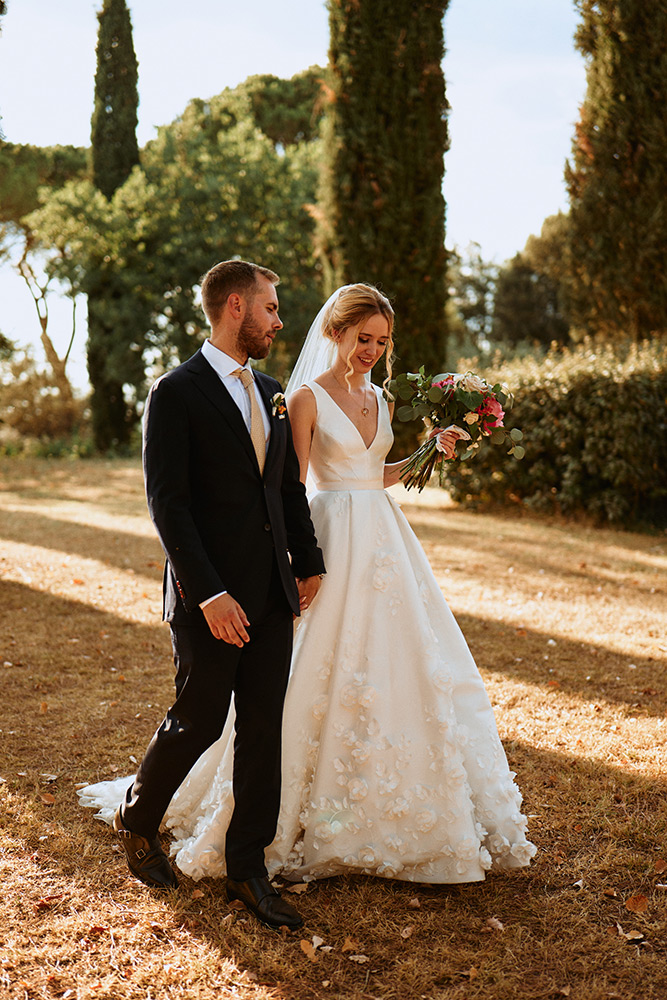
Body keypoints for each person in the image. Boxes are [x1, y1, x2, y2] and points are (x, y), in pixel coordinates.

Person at [80, 283, 535, 891]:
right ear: (337, 333)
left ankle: (253, 860)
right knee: (214, 709)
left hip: (374, 542)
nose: (372, 349)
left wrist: (429, 449)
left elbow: (358, 476)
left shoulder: (325, 395)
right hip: (293, 550)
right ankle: (145, 817)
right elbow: (225, 493)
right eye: (363, 337)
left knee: (325, 690)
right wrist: (281, 566)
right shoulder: (255, 394)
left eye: (382, 341)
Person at [103, 259, 326, 930]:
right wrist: (209, 595)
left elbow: (285, 487)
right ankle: (140, 819)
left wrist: (308, 562)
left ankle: (247, 870)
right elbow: (168, 506)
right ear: (235, 307)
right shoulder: (176, 391)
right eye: (270, 307)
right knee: (198, 718)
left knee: (263, 730)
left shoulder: (272, 390)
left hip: (270, 592)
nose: (279, 320)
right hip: (211, 598)